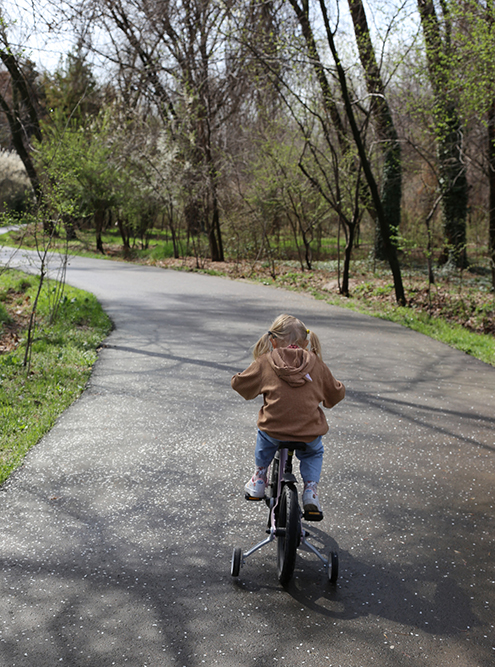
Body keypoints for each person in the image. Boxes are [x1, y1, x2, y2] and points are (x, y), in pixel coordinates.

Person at [231, 314, 345, 514]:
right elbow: (335, 394)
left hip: (274, 430)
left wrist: (241, 379)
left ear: (272, 340)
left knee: (264, 435)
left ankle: (259, 478)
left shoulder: (265, 361)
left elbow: (240, 385)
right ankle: (311, 490)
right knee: (314, 452)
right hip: (308, 432)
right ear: (307, 342)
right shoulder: (317, 364)